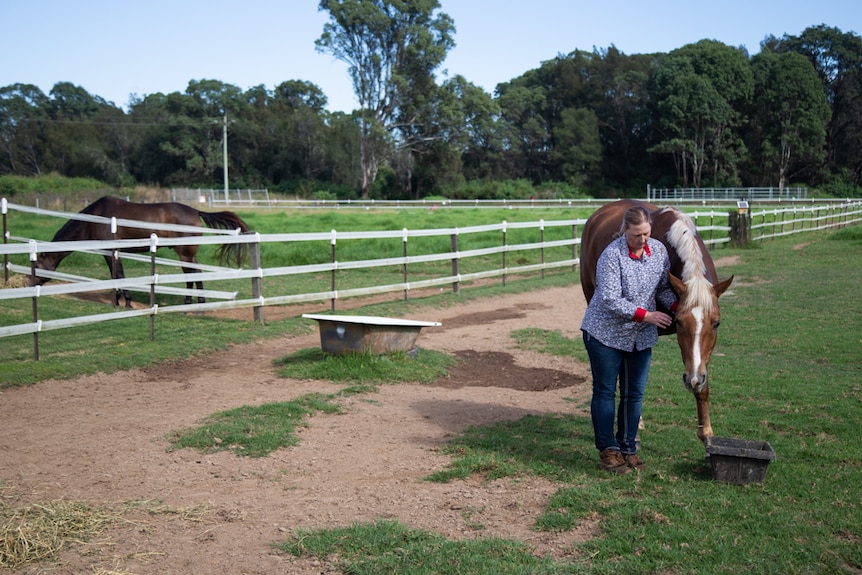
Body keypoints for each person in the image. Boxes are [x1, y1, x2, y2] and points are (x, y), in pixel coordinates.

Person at [581, 205, 678, 474]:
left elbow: (662, 288)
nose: (643, 240)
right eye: (637, 235)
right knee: (605, 391)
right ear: (625, 230)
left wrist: (677, 307)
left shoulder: (658, 251)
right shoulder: (611, 256)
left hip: (639, 337)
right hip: (605, 333)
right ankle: (608, 452)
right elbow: (610, 299)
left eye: (646, 234)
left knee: (634, 394)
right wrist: (647, 315)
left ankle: (628, 449)